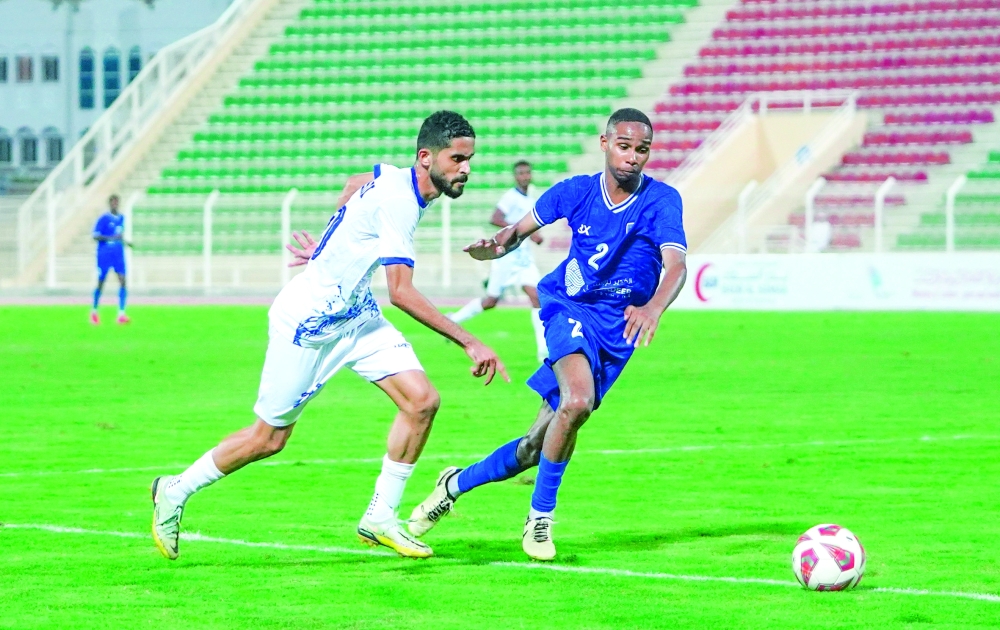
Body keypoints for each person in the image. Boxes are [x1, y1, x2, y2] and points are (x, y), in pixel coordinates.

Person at [150, 111, 508, 561]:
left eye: (470, 159)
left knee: (422, 401)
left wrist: (328, 246)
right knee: (269, 440)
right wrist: (469, 340)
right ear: (425, 157)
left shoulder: (402, 180)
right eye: (458, 159)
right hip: (308, 325)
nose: (467, 169)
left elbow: (357, 180)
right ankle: (174, 490)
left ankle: (381, 517)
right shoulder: (400, 200)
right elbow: (401, 293)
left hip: (356, 316)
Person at [407, 108, 688, 561]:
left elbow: (676, 263)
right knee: (576, 402)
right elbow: (518, 231)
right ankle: (540, 520)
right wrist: (495, 246)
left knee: (535, 447)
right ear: (604, 143)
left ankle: (452, 485)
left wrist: (654, 306)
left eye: (642, 149)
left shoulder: (663, 200)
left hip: (619, 330)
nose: (633, 157)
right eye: (624, 146)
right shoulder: (576, 192)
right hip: (568, 307)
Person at [448, 161, 548, 361]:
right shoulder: (511, 197)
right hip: (506, 258)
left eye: (527, 172)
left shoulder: (530, 197)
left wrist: (532, 234)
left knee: (537, 298)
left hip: (524, 260)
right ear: (515, 176)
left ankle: (543, 349)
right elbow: (495, 217)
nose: (525, 176)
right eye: (521, 173)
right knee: (491, 301)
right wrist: (518, 229)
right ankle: (453, 320)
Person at [91, 194, 131, 324]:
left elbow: (119, 236)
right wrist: (111, 238)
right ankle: (94, 311)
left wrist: (125, 242)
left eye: (117, 202)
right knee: (101, 282)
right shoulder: (103, 219)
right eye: (113, 202)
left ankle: (121, 314)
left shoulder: (122, 219)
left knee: (123, 281)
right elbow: (95, 236)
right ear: (109, 204)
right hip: (104, 254)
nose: (115, 204)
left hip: (118, 254)